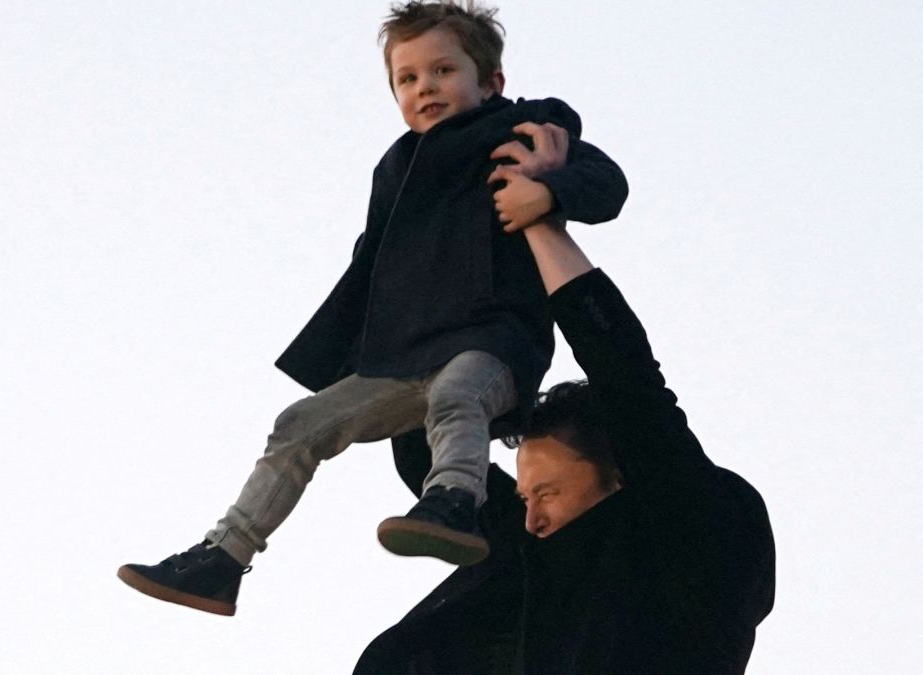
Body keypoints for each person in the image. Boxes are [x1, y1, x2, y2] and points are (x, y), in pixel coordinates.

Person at [117, 0, 628, 617]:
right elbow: (372, 263)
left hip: (494, 340)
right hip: (409, 354)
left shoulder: (522, 128)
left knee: (458, 395)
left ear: (490, 81)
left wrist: (547, 191)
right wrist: (340, 355)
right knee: (299, 425)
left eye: (443, 71)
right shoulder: (397, 168)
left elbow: (608, 184)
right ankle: (222, 559)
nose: (425, 88)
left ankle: (454, 503)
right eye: (407, 80)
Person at [354, 162, 776, 672]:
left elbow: (624, 371)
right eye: (526, 497)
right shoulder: (531, 550)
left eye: (549, 493)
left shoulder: (693, 530)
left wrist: (540, 222)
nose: (531, 519)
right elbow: (424, 442)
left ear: (621, 477)